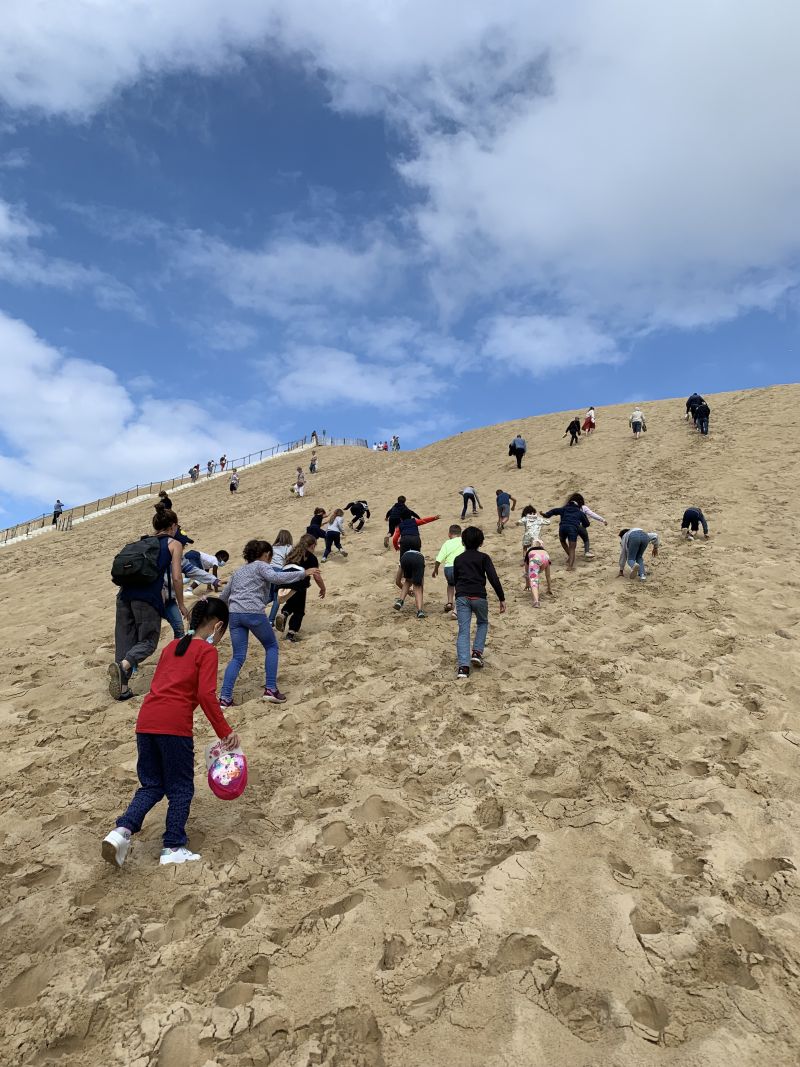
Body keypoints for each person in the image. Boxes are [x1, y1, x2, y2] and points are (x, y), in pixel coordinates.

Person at [102, 598, 239, 868]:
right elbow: (205, 695)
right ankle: (173, 845)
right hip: (173, 726)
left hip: (146, 720)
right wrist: (225, 732)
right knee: (180, 787)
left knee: (152, 784)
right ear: (218, 626)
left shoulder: (171, 646)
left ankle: (120, 833)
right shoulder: (208, 652)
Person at [219, 539, 319, 705]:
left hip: (235, 614)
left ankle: (224, 698)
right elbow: (276, 577)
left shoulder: (238, 571)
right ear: (266, 554)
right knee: (271, 646)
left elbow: (224, 597)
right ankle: (271, 689)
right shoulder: (261, 565)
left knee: (237, 657)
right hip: (253, 612)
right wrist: (303, 573)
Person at [109, 508, 187, 702]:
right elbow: (177, 577)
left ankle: (123, 687)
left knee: (125, 640)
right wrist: (181, 603)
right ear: (173, 526)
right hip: (147, 597)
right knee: (149, 642)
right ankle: (123, 666)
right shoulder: (174, 543)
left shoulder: (142, 542)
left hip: (124, 595)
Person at [452, 527, 506, 680]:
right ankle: (476, 652)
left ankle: (463, 667)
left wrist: (459, 595)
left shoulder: (458, 559)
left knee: (464, 631)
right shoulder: (484, 557)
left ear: (463, 542)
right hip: (479, 597)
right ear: (481, 542)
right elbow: (493, 578)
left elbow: (455, 579)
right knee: (482, 623)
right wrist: (501, 598)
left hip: (462, 597)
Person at [274, 534, 326, 642]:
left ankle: (284, 613)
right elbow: (316, 576)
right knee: (299, 610)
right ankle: (291, 634)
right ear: (312, 546)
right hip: (298, 582)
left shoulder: (292, 553)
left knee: (292, 603)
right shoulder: (311, 557)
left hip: (284, 580)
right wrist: (322, 588)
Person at [542, 497, 590, 571]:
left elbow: (554, 511)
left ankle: (570, 557)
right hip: (573, 529)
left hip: (563, 528)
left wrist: (546, 515)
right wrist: (582, 526)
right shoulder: (580, 512)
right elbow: (587, 524)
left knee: (563, 541)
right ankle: (570, 566)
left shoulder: (564, 509)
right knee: (572, 548)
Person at [432, 524, 464, 613]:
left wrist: (435, 570)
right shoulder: (463, 541)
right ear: (460, 534)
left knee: (450, 584)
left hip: (448, 569)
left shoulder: (446, 543)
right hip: (459, 567)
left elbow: (439, 559)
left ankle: (450, 602)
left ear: (449, 534)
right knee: (460, 587)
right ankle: (457, 609)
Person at [567, 492, 608, 559]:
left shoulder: (568, 508)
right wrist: (602, 520)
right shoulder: (583, 507)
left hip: (571, 526)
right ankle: (587, 552)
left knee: (572, 541)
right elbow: (592, 514)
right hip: (580, 526)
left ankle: (571, 555)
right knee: (586, 539)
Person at [267, 529, 293, 625]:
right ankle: (270, 620)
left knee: (269, 596)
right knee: (277, 598)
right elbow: (289, 559)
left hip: (268, 571)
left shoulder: (273, 547)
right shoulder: (288, 547)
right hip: (279, 571)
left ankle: (254, 609)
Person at [525, 541, 553, 607]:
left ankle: (536, 601)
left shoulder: (530, 551)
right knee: (546, 574)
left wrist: (527, 584)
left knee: (533, 580)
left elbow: (526, 572)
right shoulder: (545, 551)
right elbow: (548, 575)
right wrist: (549, 588)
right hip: (545, 557)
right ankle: (549, 589)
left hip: (535, 558)